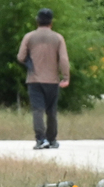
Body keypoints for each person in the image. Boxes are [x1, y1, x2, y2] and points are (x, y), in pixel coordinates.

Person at [16, 8, 70, 150]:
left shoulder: (29, 37)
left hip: (34, 80)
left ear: (37, 21)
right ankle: (52, 139)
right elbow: (63, 59)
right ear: (51, 22)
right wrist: (65, 77)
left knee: (37, 110)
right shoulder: (58, 38)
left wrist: (30, 62)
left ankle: (41, 139)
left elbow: (20, 57)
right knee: (51, 111)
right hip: (52, 80)